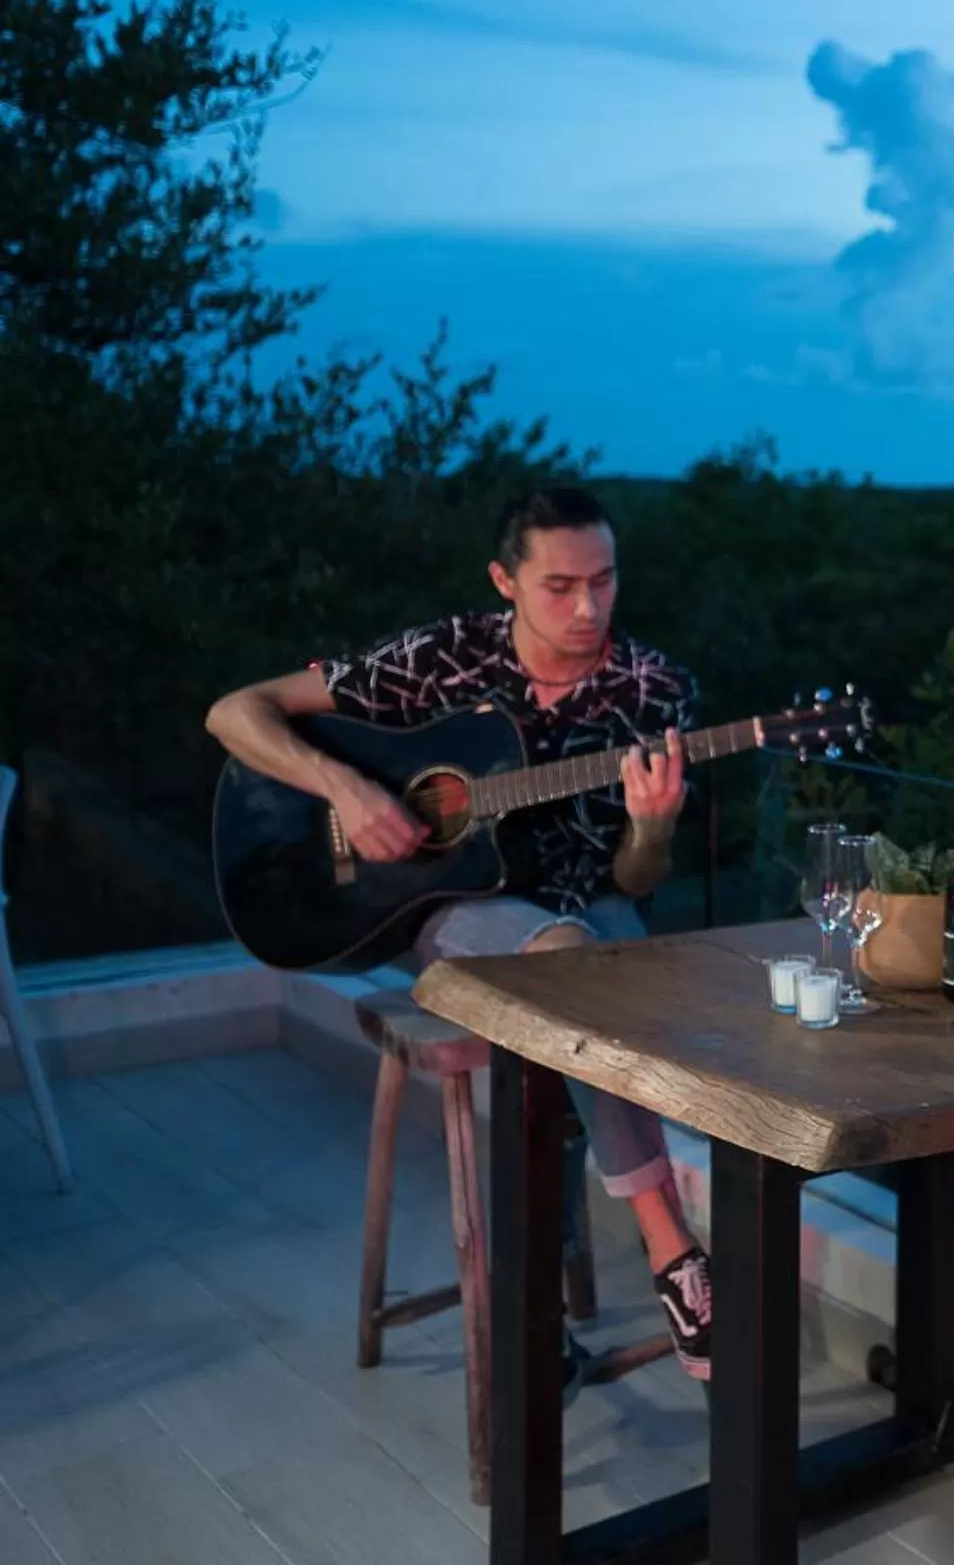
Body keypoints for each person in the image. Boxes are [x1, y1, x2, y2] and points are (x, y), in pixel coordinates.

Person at [205, 484, 714, 1384]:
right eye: (560, 586)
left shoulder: (655, 689)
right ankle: (671, 1248)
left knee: (595, 965)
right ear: (504, 583)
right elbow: (233, 711)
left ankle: (540, 1311)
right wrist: (349, 790)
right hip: (453, 906)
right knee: (580, 976)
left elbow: (638, 880)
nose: (588, 608)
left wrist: (656, 826)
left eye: (604, 581)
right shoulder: (445, 657)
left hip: (592, 903)